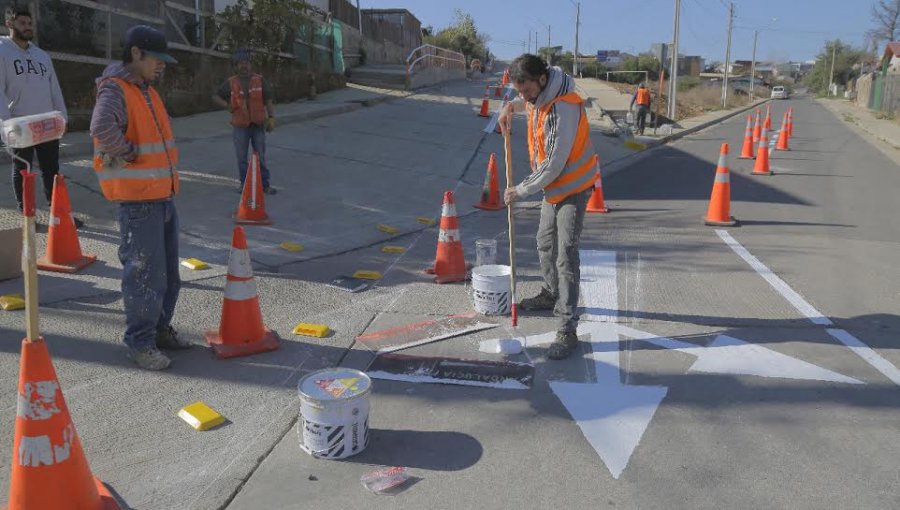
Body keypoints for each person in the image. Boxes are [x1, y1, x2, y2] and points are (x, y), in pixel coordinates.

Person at [90, 25, 192, 371]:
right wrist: (129, 153)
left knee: (166, 275)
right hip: (139, 201)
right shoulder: (116, 90)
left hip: (161, 196)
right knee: (145, 275)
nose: (161, 66)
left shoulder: (146, 90)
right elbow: (102, 128)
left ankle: (160, 330)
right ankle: (140, 342)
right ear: (136, 54)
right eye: (157, 59)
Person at [498, 54, 598, 360]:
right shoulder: (540, 95)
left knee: (565, 253)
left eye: (525, 90)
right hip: (553, 186)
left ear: (541, 79)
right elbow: (523, 103)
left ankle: (567, 327)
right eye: (519, 91)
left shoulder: (563, 106)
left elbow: (555, 162)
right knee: (544, 243)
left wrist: (521, 190)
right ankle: (551, 292)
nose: (523, 97)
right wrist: (508, 108)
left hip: (573, 186)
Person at [0, 7, 78, 226]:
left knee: (52, 170)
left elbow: (54, 88)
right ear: (10, 24)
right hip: (20, 123)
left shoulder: (41, 55)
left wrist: (62, 116)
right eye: (22, 23)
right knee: (23, 170)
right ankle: (28, 216)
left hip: (46, 123)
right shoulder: (2, 51)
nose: (27, 27)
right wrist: (5, 123)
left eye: (29, 23)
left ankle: (59, 213)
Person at [212, 50, 276, 194]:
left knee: (260, 155)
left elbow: (268, 100)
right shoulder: (231, 82)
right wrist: (227, 106)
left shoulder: (259, 80)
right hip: (240, 126)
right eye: (241, 63)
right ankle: (245, 184)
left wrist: (271, 117)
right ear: (236, 65)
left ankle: (265, 185)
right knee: (241, 157)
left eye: (246, 63)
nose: (244, 66)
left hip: (258, 124)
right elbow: (215, 96)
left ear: (250, 64)